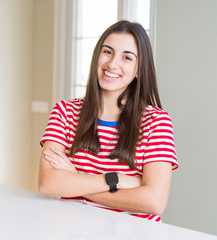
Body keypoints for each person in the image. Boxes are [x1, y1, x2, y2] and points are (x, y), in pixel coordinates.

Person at [38, 20, 178, 222]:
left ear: (139, 69)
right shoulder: (65, 112)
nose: (112, 64)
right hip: (72, 229)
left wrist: (76, 180)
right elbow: (48, 183)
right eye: (107, 52)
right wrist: (117, 180)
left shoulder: (156, 122)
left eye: (127, 57)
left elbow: (154, 202)